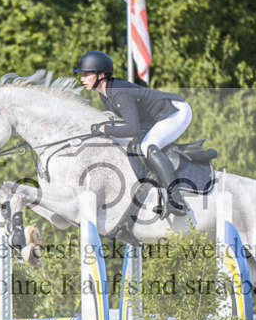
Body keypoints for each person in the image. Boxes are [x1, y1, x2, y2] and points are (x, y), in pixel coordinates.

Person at [73, 50, 192, 216]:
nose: (82, 79)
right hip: (156, 117)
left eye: (86, 75)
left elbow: (132, 129)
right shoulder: (105, 94)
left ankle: (177, 199)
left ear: (101, 75)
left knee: (148, 147)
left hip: (175, 112)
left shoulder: (120, 94)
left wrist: (104, 129)